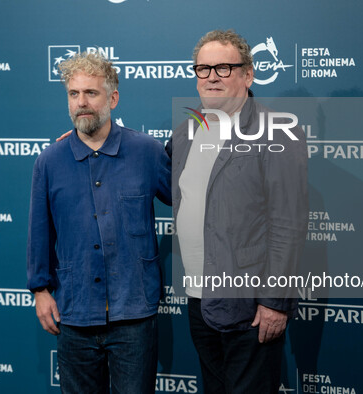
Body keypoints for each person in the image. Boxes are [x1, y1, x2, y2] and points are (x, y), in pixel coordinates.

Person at [168, 30, 308, 393]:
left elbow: (288, 224)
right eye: (203, 68)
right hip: (200, 300)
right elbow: (151, 181)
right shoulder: (186, 132)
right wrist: (90, 140)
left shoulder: (278, 132)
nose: (212, 76)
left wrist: (275, 303)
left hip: (250, 306)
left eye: (224, 67)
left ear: (248, 74)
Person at [26, 52, 171, 394]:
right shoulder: (49, 162)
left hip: (134, 311)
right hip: (75, 312)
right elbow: (39, 232)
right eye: (74, 94)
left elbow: (189, 199)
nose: (82, 103)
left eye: (91, 93)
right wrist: (40, 290)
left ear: (113, 98)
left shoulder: (147, 152)